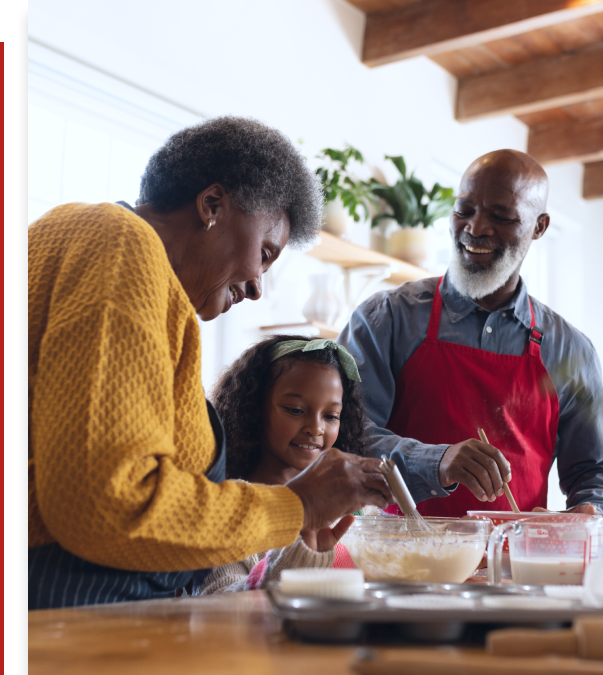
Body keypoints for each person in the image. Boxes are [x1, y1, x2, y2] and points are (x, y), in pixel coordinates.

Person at [28, 117, 392, 609]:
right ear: (212, 205)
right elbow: (108, 503)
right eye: (264, 253)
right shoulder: (119, 245)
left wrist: (295, 519)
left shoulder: (118, 262)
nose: (259, 286)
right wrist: (297, 504)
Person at [338, 149, 603, 544]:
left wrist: (592, 517)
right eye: (464, 209)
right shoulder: (385, 319)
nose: (475, 228)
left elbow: (600, 468)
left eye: (501, 217)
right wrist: (437, 462)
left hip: (518, 574)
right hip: (401, 566)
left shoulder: (569, 349)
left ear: (539, 227)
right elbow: (345, 436)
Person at [193, 335, 370, 594]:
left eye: (331, 415)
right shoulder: (226, 508)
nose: (316, 428)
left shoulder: (357, 514)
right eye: (296, 410)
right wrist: (297, 555)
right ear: (254, 409)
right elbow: (216, 604)